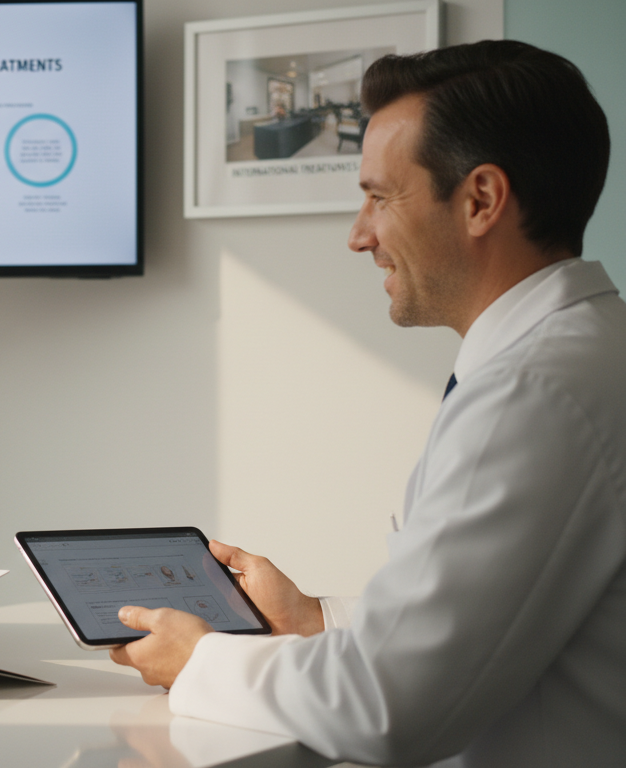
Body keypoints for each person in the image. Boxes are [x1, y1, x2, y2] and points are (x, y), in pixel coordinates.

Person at [110, 41, 625, 766]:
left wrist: (200, 662)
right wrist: (314, 619)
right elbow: (501, 616)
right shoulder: (589, 353)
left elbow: (385, 706)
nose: (359, 236)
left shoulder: (533, 393)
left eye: (380, 197)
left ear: (481, 199)